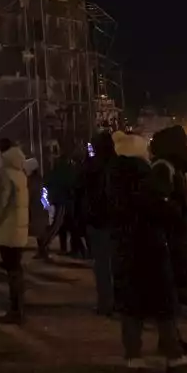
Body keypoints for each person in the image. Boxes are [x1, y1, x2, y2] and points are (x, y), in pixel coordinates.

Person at [108, 131, 187, 373]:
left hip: (123, 247)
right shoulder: (144, 174)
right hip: (150, 246)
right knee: (163, 304)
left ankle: (133, 357)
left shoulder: (113, 175)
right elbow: (157, 208)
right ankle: (174, 357)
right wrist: (174, 209)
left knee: (131, 307)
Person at [150, 125, 187, 312]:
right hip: (181, 230)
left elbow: (160, 201)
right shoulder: (179, 168)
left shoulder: (163, 167)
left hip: (170, 234)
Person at [0, 143, 29, 324]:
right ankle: (19, 307)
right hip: (18, 228)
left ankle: (15, 310)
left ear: (0, 152)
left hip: (7, 227)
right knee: (16, 269)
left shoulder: (3, 173)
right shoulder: (19, 172)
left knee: (12, 270)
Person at [82, 130, 117, 316]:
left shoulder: (92, 165)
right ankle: (117, 301)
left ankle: (105, 303)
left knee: (102, 265)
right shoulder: (116, 163)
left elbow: (82, 185)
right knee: (115, 263)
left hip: (98, 219)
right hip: (116, 219)